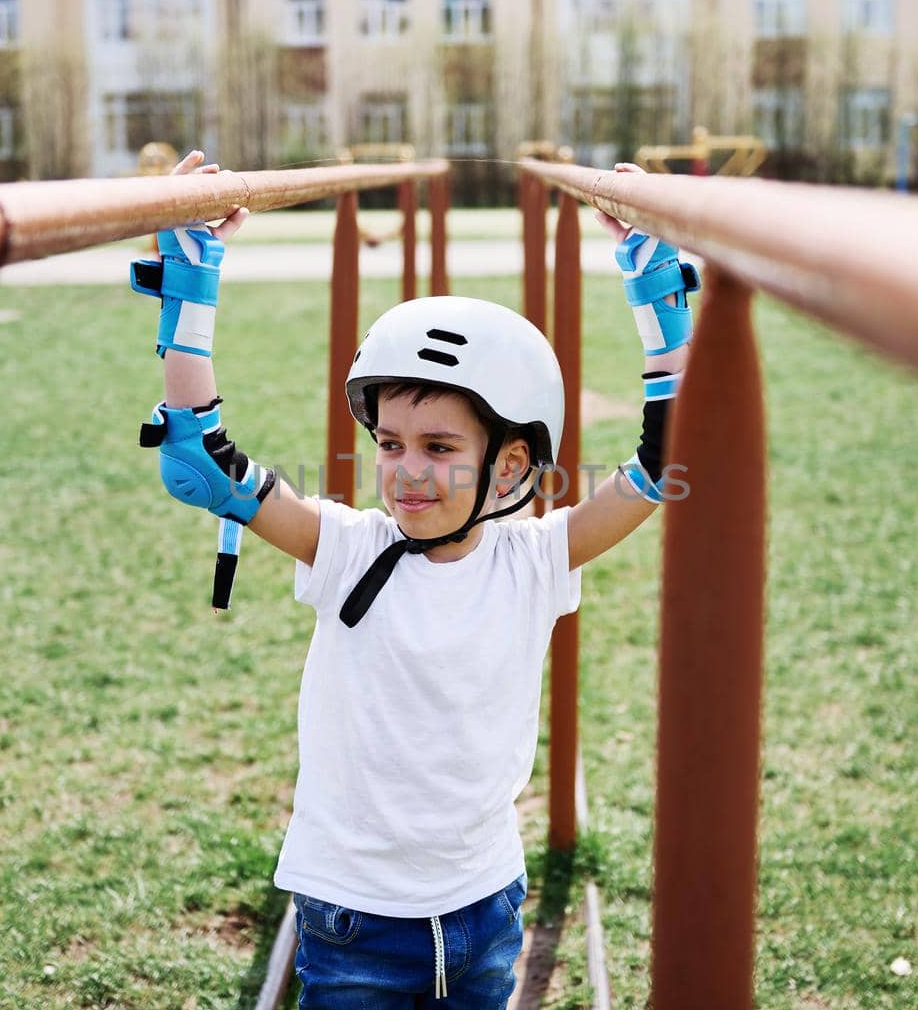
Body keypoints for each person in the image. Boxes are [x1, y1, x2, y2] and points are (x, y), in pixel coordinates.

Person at [133, 150, 695, 1007]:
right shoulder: (349, 548)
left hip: (485, 908)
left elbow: (665, 461)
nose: (405, 472)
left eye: (439, 449)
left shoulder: (535, 560)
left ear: (511, 465)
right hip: (353, 918)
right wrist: (192, 285)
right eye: (390, 444)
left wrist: (655, 291)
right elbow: (200, 467)